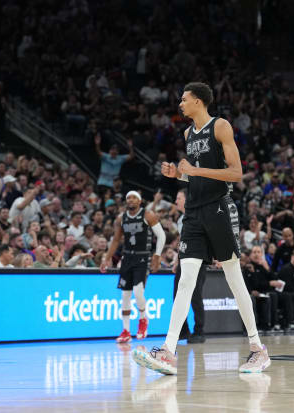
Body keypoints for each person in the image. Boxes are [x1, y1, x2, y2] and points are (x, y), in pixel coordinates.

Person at [132, 82, 269, 375]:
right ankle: (168, 351)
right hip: (193, 213)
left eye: (184, 99)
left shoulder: (220, 126)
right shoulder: (187, 133)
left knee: (234, 279)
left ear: (198, 101)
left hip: (219, 208)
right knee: (185, 279)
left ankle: (258, 349)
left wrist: (193, 171)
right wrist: (179, 175)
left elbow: (235, 173)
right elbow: (195, 176)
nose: (180, 104)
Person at [101, 191, 165, 343]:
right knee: (125, 295)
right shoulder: (121, 218)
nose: (130, 199)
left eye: (134, 197)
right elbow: (116, 240)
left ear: (140, 201)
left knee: (138, 291)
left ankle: (143, 318)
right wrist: (106, 258)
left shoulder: (148, 215)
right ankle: (126, 331)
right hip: (127, 257)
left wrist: (156, 256)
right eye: (128, 197)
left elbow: (161, 235)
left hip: (143, 257)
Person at [173, 189, 207, 344]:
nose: (176, 201)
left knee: (195, 295)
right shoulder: (181, 219)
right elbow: (182, 242)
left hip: (198, 260)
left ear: (187, 200)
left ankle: (199, 331)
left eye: (178, 198)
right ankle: (184, 330)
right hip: (184, 260)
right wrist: (176, 260)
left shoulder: (198, 216)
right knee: (177, 294)